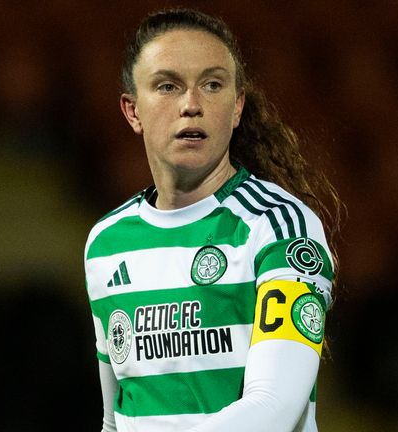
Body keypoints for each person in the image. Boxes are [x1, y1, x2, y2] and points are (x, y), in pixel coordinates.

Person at [84, 7, 342, 432]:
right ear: (132, 111)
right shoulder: (106, 243)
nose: (191, 105)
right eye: (168, 86)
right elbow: (115, 420)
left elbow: (275, 407)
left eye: (212, 85)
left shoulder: (278, 228)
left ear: (237, 107)